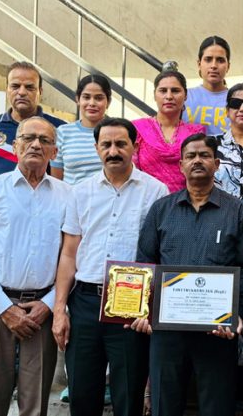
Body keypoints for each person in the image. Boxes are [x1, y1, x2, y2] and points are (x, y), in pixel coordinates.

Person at [51, 118, 168, 415]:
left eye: (120, 144)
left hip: (131, 305)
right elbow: (68, 253)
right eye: (106, 144)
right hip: (85, 303)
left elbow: (160, 255)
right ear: (96, 148)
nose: (113, 151)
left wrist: (151, 309)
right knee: (82, 393)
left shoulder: (155, 191)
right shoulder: (80, 192)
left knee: (128, 395)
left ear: (135, 146)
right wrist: (59, 309)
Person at [136, 133, 243, 416]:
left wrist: (237, 313)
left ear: (216, 163)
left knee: (217, 406)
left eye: (204, 156)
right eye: (190, 156)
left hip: (217, 330)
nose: (197, 161)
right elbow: (145, 263)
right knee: (166, 404)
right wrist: (143, 310)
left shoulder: (236, 211)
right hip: (166, 331)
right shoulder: (162, 209)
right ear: (181, 165)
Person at [0, 116, 70, 416]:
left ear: (54, 152)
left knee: (35, 400)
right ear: (15, 146)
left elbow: (72, 255)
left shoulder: (68, 195)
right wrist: (4, 308)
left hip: (43, 307)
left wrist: (50, 304)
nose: (36, 144)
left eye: (45, 140)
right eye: (28, 137)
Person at [0, 61, 66, 179]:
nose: (21, 92)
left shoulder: (60, 129)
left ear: (40, 92)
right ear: (7, 90)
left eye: (29, 87)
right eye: (15, 86)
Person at [133, 70, 206, 192]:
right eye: (163, 91)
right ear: (155, 95)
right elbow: (132, 172)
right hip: (146, 202)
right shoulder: (138, 128)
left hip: (186, 203)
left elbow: (200, 174)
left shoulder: (196, 132)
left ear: (186, 95)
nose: (169, 96)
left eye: (175, 91)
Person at [51, 74, 111, 184]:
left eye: (98, 98)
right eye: (86, 97)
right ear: (78, 100)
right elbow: (57, 182)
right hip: (72, 199)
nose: (92, 103)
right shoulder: (62, 133)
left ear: (108, 102)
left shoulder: (117, 133)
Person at [182, 36, 235, 135]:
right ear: (199, 64)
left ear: (228, 66)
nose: (214, 65)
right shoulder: (184, 97)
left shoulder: (238, 101)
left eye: (220, 60)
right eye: (208, 59)